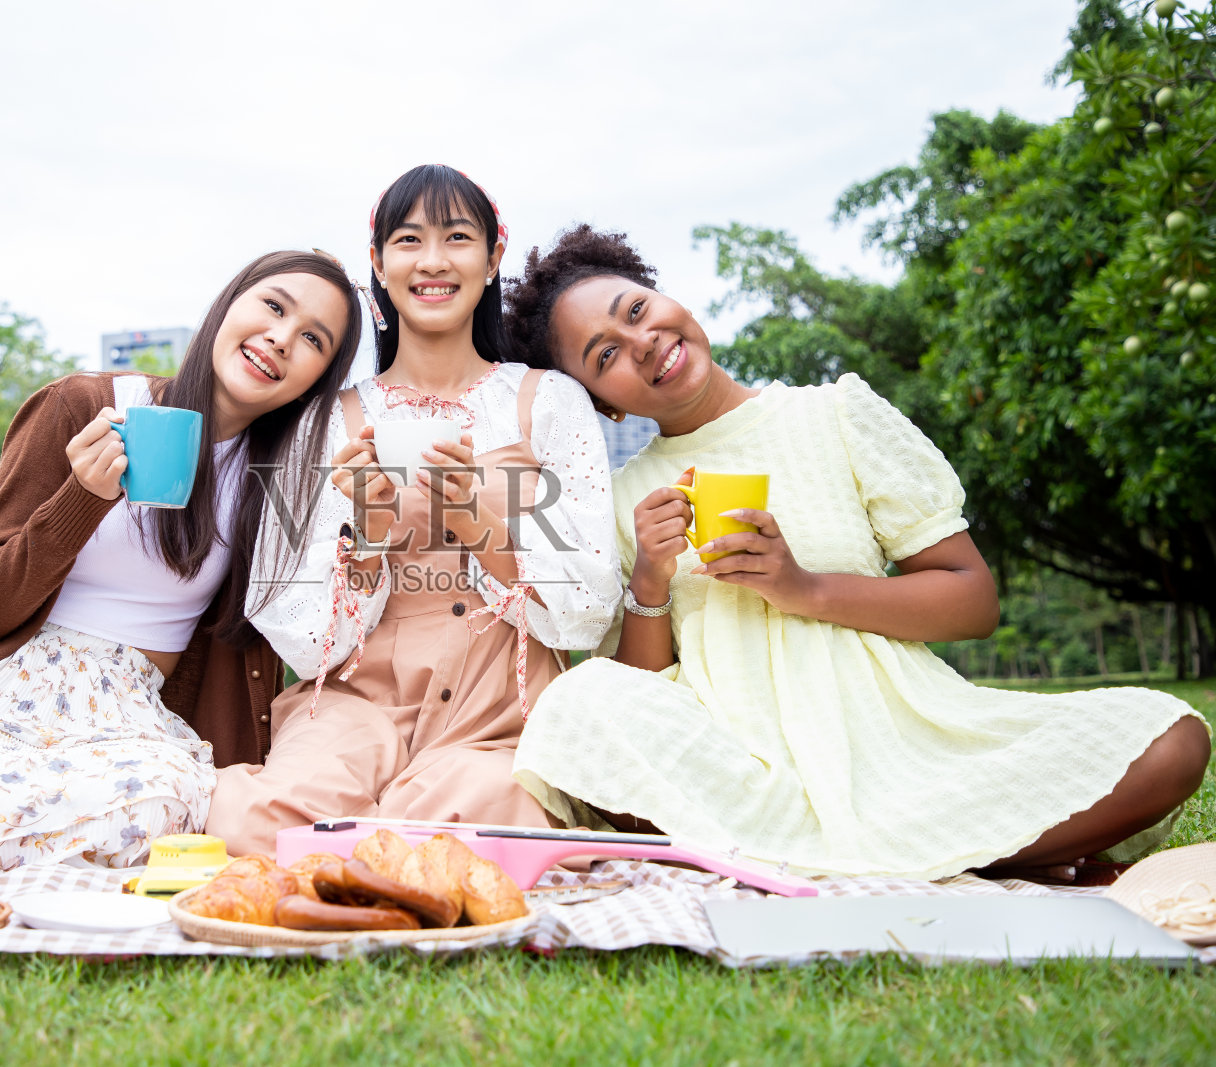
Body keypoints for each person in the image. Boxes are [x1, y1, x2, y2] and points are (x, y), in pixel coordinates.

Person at [501, 225, 1211, 880]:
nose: (642, 342)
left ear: (666, 297)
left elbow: (972, 600)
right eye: (605, 356)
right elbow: (638, 690)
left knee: (1170, 739)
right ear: (604, 404)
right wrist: (651, 584)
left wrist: (801, 586)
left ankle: (842, 853)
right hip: (743, 768)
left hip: (903, 744)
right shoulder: (622, 499)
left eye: (636, 310)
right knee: (580, 705)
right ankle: (962, 854)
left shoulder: (836, 413)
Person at [0, 250, 362, 876]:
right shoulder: (86, 405)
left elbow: (308, 631)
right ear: (229, 303)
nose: (281, 338)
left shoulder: (283, 480)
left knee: (165, 803)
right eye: (273, 306)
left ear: (319, 378)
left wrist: (365, 534)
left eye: (313, 339)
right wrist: (81, 499)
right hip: (4, 692)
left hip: (133, 714)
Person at [206, 167, 621, 857]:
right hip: (352, 709)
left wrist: (475, 520)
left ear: (492, 258)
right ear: (378, 264)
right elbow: (298, 637)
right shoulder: (323, 423)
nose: (432, 261)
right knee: (259, 819)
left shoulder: (549, 402)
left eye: (457, 237)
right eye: (408, 240)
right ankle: (377, 851)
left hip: (499, 714)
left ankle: (364, 854)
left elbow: (587, 610)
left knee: (474, 811)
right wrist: (368, 539)